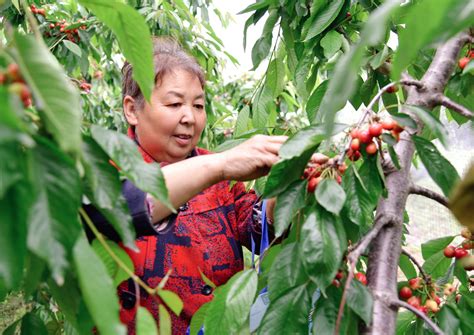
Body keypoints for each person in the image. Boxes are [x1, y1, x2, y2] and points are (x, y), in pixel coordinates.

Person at [114, 37, 287, 334]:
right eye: (174, 103)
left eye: (198, 105)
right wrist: (217, 167)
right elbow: (121, 209)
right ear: (132, 110)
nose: (189, 118)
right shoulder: (105, 173)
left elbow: (254, 225)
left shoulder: (218, 174)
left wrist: (283, 194)